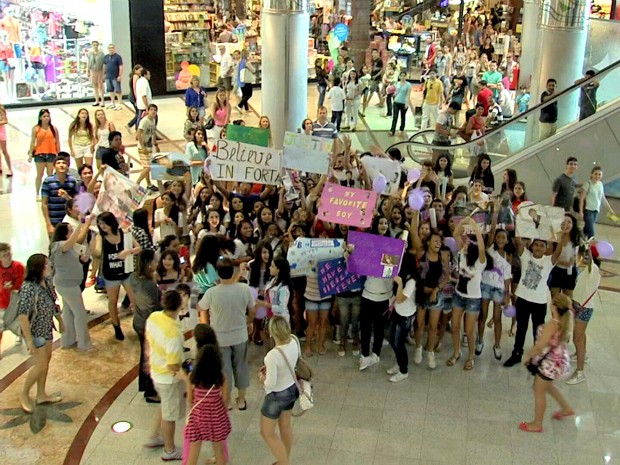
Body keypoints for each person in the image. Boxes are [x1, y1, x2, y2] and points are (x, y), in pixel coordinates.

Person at [196, 257, 256, 410]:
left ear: (217, 273)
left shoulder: (212, 292)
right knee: (241, 367)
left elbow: (200, 307)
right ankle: (241, 400)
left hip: (220, 338)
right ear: (233, 272)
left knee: (225, 370)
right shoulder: (244, 289)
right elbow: (253, 310)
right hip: (240, 335)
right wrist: (248, 321)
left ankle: (226, 402)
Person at [503, 235, 564, 367]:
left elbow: (558, 250)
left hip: (539, 302)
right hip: (523, 299)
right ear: (531, 246)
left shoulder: (548, 261)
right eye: (536, 244)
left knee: (538, 331)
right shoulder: (525, 256)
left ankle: (537, 357)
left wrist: (562, 235)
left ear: (546, 249)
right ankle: (517, 354)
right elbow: (518, 241)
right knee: (521, 329)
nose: (538, 247)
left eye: (542, 245)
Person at [519, 294, 573, 432]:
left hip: (548, 364)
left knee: (538, 391)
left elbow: (539, 346)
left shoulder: (551, 325)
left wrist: (527, 356)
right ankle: (566, 408)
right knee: (548, 386)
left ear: (554, 306)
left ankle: (537, 424)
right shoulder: (563, 322)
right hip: (557, 361)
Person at [18, 254, 64, 413]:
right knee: (41, 363)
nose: (50, 266)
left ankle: (41, 394)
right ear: (39, 268)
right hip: (34, 330)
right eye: (46, 265)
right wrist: (29, 341)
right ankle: (24, 394)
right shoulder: (28, 288)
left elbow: (54, 301)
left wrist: (60, 320)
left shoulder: (48, 282)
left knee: (46, 361)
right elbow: (23, 315)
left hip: (46, 327)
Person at [144, 290, 186, 461]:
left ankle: (155, 436)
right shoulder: (174, 333)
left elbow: (148, 341)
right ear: (179, 307)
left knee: (164, 406)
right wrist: (188, 378)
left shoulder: (154, 317)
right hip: (167, 379)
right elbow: (173, 365)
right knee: (170, 416)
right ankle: (169, 450)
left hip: (155, 370)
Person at [258, 316, 299, 465]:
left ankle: (284, 462)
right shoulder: (294, 341)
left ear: (271, 333)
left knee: (267, 432)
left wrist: (262, 378)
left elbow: (271, 383)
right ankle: (284, 458)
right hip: (291, 389)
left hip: (276, 397)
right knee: (285, 426)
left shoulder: (272, 356)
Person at [93, 212, 140, 340]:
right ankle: (116, 326)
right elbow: (97, 251)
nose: (102, 226)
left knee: (135, 300)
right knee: (112, 301)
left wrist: (128, 252)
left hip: (126, 271)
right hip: (111, 274)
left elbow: (139, 248)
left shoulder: (123, 233)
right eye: (100, 224)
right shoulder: (100, 237)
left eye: (104, 223)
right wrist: (92, 250)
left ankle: (140, 325)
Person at [447, 217, 486, 371]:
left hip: (473, 300)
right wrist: (464, 221)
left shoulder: (480, 261)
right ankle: (456, 352)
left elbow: (482, 247)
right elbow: (456, 233)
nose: (464, 243)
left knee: (469, 331)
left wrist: (475, 227)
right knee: (455, 327)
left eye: (469, 242)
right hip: (458, 295)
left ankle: (471, 357)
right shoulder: (462, 253)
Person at [184, 341, 231, 465]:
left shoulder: (192, 376)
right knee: (219, 449)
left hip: (199, 415)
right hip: (216, 415)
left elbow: (190, 399)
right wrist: (222, 412)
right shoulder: (221, 376)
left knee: (194, 448)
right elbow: (226, 398)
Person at [130, 249, 162, 403]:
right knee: (151, 358)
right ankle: (150, 391)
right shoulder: (148, 285)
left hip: (139, 320)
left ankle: (144, 384)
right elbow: (156, 307)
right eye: (155, 261)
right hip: (149, 324)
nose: (157, 263)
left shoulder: (134, 278)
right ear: (149, 264)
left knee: (144, 355)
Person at [387, 253, 417, 382]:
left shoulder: (411, 281)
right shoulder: (403, 276)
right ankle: (399, 363)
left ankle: (403, 370)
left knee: (399, 343)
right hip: (397, 312)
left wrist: (399, 284)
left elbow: (400, 299)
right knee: (391, 338)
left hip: (405, 315)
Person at [41, 154, 78, 236]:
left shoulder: (72, 181)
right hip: (54, 222)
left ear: (67, 166)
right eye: (58, 163)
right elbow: (44, 204)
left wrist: (67, 197)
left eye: (64, 163)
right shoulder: (48, 181)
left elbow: (76, 203)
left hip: (69, 221)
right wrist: (48, 224)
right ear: (54, 166)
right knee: (55, 246)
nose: (61, 165)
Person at [29, 109, 61, 200]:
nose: (46, 118)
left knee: (50, 174)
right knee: (40, 174)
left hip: (51, 153)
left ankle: (50, 192)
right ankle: (37, 193)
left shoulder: (53, 128)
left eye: (48, 116)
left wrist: (59, 153)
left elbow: (57, 141)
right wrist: (31, 154)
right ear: (40, 118)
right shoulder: (36, 129)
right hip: (40, 154)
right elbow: (32, 142)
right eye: (44, 116)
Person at [0, 243, 25, 355]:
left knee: (19, 322)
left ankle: (24, 339)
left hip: (16, 300)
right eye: (5, 255)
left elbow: (22, 283)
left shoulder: (18, 266)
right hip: (2, 302)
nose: (8, 257)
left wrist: (13, 287)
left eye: (9, 254)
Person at [580, 165, 615, 238]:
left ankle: (581, 240)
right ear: (591, 174)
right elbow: (582, 198)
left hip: (596, 210)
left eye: (599, 174)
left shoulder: (600, 184)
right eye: (595, 174)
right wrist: (581, 211)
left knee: (587, 228)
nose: (597, 176)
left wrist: (610, 209)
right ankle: (591, 242)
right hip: (588, 210)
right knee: (591, 231)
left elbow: (603, 198)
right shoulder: (587, 184)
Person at [135, 104, 160, 191]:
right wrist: (142, 147)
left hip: (149, 146)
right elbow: (138, 134)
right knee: (149, 167)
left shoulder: (153, 120)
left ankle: (149, 184)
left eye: (155, 110)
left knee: (145, 167)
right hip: (143, 146)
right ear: (148, 111)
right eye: (151, 110)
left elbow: (153, 133)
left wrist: (156, 145)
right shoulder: (144, 121)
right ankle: (137, 183)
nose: (153, 111)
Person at [388, 70, 414, 137]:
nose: (402, 77)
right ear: (399, 76)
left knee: (403, 117)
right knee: (395, 117)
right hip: (396, 102)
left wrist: (407, 103)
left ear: (406, 76)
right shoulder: (397, 83)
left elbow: (408, 95)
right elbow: (396, 92)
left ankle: (401, 129)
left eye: (404, 76)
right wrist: (391, 95)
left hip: (403, 103)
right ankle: (392, 130)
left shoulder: (408, 85)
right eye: (401, 75)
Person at [103, 43, 123, 110]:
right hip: (108, 76)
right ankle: (112, 103)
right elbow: (104, 66)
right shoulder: (106, 57)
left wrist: (120, 75)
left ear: (114, 49)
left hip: (115, 76)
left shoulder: (118, 57)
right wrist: (104, 74)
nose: (111, 49)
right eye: (109, 48)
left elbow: (121, 66)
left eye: (112, 48)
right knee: (110, 90)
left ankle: (119, 104)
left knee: (118, 90)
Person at [88, 40, 105, 107]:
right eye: (94, 45)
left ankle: (102, 101)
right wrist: (88, 71)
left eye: (96, 45)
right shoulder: (90, 53)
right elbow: (88, 62)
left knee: (100, 86)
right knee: (95, 86)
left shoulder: (101, 53)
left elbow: (103, 63)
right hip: (93, 70)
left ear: (98, 45)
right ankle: (97, 100)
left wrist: (104, 72)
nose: (95, 46)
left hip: (100, 70)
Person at [0, 104, 13, 176]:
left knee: (4, 151)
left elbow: (5, 121)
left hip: (1, 133)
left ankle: (10, 169)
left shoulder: (1, 109)